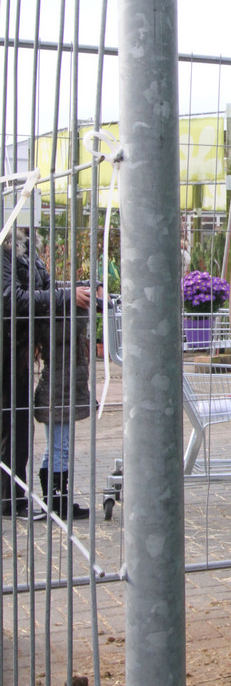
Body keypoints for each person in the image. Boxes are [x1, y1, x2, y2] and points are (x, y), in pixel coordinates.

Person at [1, 220, 94, 518]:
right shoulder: (5, 248)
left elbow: (45, 287)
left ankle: (14, 498)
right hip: (6, 348)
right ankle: (9, 501)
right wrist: (69, 296)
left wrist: (80, 289)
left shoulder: (26, 248)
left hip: (19, 348)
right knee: (11, 425)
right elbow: (11, 297)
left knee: (19, 424)